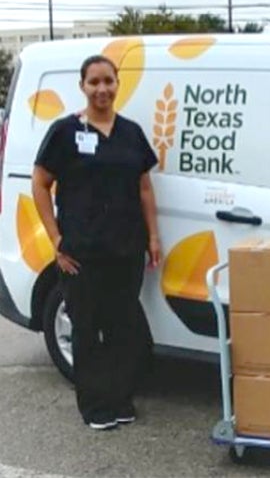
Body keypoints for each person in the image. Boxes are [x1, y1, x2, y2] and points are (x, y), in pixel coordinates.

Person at [32, 55, 160, 431]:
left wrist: (153, 236)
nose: (102, 89)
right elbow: (40, 184)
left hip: (125, 249)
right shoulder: (65, 132)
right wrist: (56, 240)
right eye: (94, 82)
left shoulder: (131, 133)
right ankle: (94, 406)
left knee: (123, 328)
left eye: (109, 81)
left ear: (118, 84)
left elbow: (144, 188)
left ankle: (120, 398)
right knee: (86, 329)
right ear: (83, 86)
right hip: (81, 252)